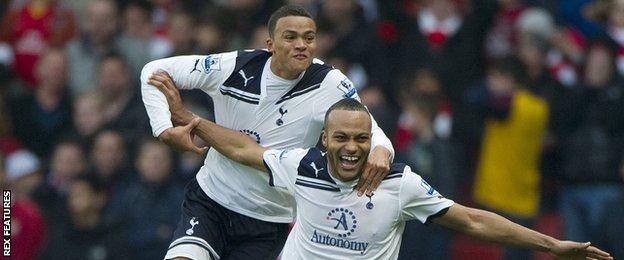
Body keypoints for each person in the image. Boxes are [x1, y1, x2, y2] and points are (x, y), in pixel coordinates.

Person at [146, 79, 613, 260]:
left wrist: (551, 245)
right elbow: (248, 150)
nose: (352, 148)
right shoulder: (300, 165)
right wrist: (193, 121)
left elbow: (471, 219)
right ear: (325, 139)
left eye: (361, 139)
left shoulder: (398, 183)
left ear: (373, 141)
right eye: (343, 138)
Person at [140, 5, 394, 259]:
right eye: (291, 37)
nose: (301, 45)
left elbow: (368, 125)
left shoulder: (330, 84)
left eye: (309, 38)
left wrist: (383, 149)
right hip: (211, 201)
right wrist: (163, 129)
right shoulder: (233, 66)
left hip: (268, 220)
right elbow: (153, 71)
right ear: (270, 44)